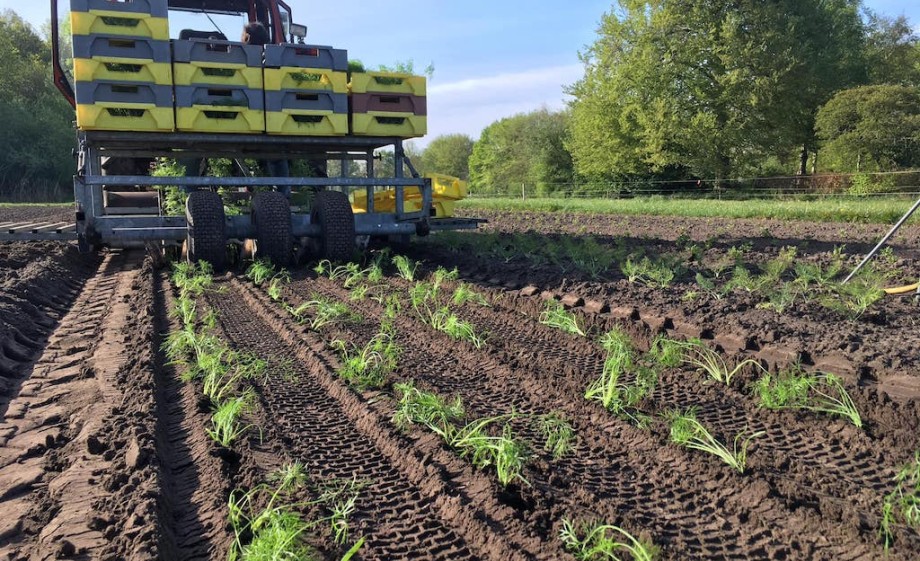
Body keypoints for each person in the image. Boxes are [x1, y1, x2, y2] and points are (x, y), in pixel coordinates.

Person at [241, 21, 292, 195]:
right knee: (276, 156)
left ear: (247, 37)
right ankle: (281, 195)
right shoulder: (275, 59)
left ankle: (255, 191)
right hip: (275, 122)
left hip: (247, 123)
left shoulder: (242, 61)